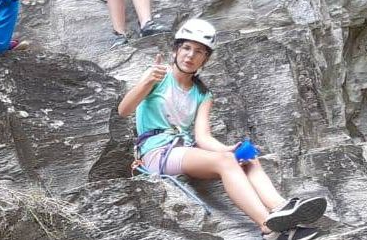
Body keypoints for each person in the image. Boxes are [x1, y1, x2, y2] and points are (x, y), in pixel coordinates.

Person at [118, 19, 327, 240]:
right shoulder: (157, 76)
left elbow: (203, 137)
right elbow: (124, 110)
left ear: (205, 59)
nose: (190, 55)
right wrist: (147, 82)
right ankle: (269, 229)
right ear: (176, 50)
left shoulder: (202, 94)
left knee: (245, 156)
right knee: (226, 161)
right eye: (186, 48)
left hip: (185, 150)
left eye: (198, 51)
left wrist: (229, 149)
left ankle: (280, 208)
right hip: (156, 153)